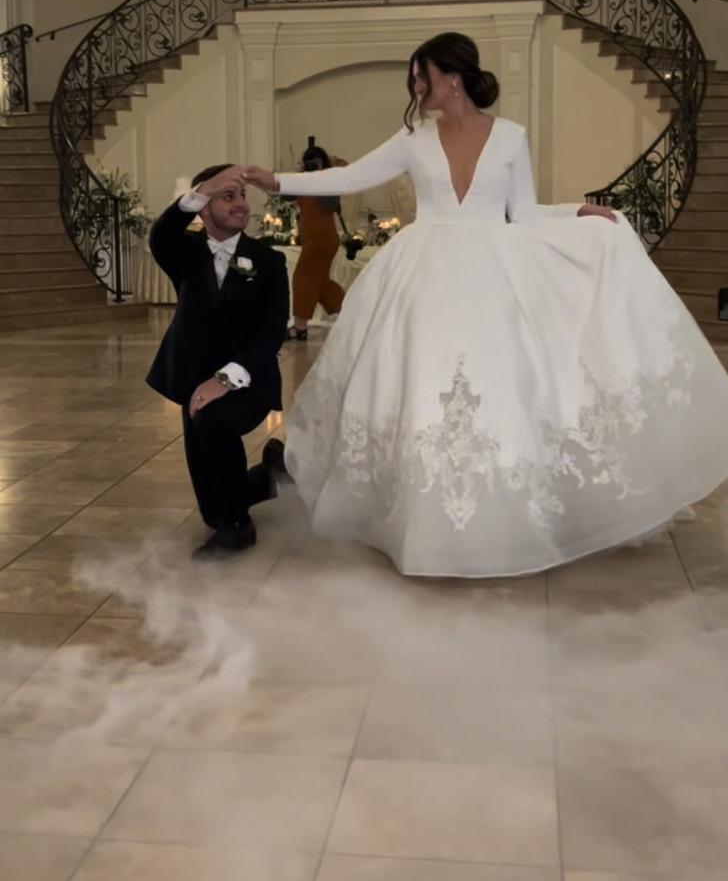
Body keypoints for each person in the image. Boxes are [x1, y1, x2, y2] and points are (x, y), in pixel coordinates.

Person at [242, 31, 728, 578]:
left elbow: (520, 213)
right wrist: (276, 180)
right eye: (414, 78)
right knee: (418, 382)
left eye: (423, 75)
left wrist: (573, 214)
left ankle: (501, 517)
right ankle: (413, 515)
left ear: (454, 77)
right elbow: (351, 176)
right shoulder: (413, 139)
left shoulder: (511, 137)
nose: (417, 86)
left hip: (492, 270)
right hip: (423, 273)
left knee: (503, 384)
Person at [147, 163, 289, 559]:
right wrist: (199, 191)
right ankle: (270, 475)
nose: (241, 204)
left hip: (249, 380)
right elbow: (159, 235)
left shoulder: (268, 261)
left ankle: (241, 528)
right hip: (192, 380)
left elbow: (271, 334)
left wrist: (224, 380)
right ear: (204, 208)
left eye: (242, 195)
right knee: (211, 509)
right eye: (228, 196)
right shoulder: (184, 252)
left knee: (212, 420)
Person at [285, 144, 346, 341]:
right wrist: (297, 176)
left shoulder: (330, 183)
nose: (314, 166)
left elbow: (328, 205)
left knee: (304, 279)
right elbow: (286, 196)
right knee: (319, 284)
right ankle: (353, 314)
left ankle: (299, 328)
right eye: (311, 162)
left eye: (318, 162)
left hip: (322, 238)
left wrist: (323, 177)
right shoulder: (303, 182)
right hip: (311, 238)